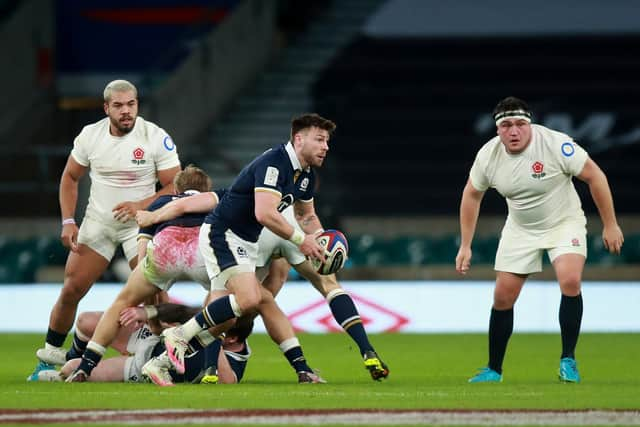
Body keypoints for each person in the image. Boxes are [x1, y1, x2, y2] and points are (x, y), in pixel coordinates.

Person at [66, 166, 323, 384]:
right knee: (245, 301)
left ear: (177, 190)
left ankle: (85, 365)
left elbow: (143, 252)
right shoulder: (217, 198)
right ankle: (298, 366)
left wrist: (150, 300)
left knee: (122, 302)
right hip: (200, 249)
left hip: (166, 247)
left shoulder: (162, 202)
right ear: (206, 189)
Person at [455, 96, 624, 383]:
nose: (514, 131)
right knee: (502, 297)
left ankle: (568, 360)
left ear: (530, 124)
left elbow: (595, 176)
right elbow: (471, 195)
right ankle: (493, 370)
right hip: (520, 229)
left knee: (570, 280)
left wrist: (610, 225)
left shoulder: (556, 144)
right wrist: (466, 244)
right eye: (506, 125)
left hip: (564, 222)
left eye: (520, 124)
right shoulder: (488, 155)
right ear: (498, 130)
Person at [160, 114, 333, 382]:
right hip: (223, 233)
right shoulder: (274, 164)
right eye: (320, 139)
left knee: (228, 315)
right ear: (299, 139)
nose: (326, 147)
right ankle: (179, 335)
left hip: (244, 241)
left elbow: (307, 216)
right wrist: (302, 240)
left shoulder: (306, 175)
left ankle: (162, 361)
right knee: (252, 299)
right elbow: (264, 213)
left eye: (327, 141)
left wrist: (323, 241)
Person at [29, 79, 181, 381]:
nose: (126, 111)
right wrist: (68, 221)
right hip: (99, 223)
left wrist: (141, 204)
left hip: (140, 227)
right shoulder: (90, 136)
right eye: (119, 106)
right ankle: (48, 360)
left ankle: (161, 356)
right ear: (106, 108)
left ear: (137, 104)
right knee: (72, 289)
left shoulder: (154, 136)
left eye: (131, 104)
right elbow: (70, 178)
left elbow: (174, 184)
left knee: (156, 294)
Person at [142, 194, 389, 380]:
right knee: (327, 285)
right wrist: (257, 302)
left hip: (238, 239)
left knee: (220, 306)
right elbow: (278, 278)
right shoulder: (298, 191)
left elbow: (186, 204)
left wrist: (152, 217)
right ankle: (361, 351)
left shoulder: (242, 192)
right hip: (283, 231)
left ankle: (204, 368)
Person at [35, 304, 252, 385]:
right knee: (86, 321)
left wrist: (215, 336)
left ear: (232, 338)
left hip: (140, 366)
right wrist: (148, 313)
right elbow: (180, 312)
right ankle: (69, 353)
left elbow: (227, 380)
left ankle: (61, 372)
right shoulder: (214, 314)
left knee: (73, 369)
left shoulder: (233, 364)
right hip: (151, 337)